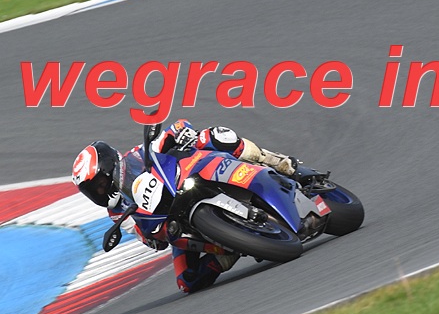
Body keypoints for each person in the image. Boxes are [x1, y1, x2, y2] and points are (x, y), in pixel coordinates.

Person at [71, 120, 297, 293]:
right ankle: (234, 248)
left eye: (100, 184)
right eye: (94, 191)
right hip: (177, 216)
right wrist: (154, 235)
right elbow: (150, 239)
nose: (100, 191)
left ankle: (272, 160)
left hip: (193, 174)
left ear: (110, 165)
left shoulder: (138, 155)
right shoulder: (117, 213)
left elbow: (175, 128)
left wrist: (183, 133)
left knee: (213, 136)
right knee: (187, 281)